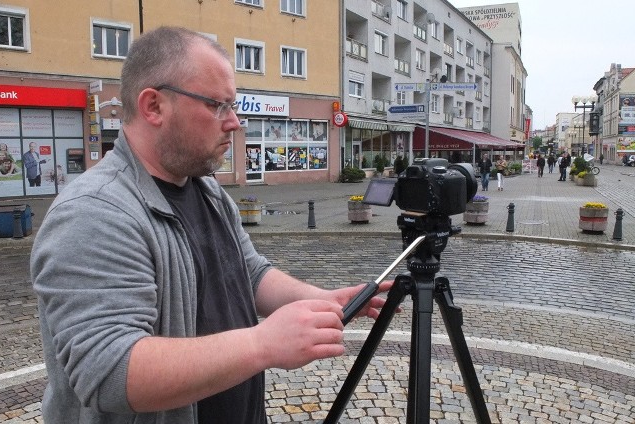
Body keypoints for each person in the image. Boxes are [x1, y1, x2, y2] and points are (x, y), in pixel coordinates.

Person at [31, 27, 392, 424]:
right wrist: (262, 344)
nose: (235, 123)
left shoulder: (204, 188)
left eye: (232, 106)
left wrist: (322, 299)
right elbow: (107, 373)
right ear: (153, 106)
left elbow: (248, 273)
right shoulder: (94, 212)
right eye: (217, 105)